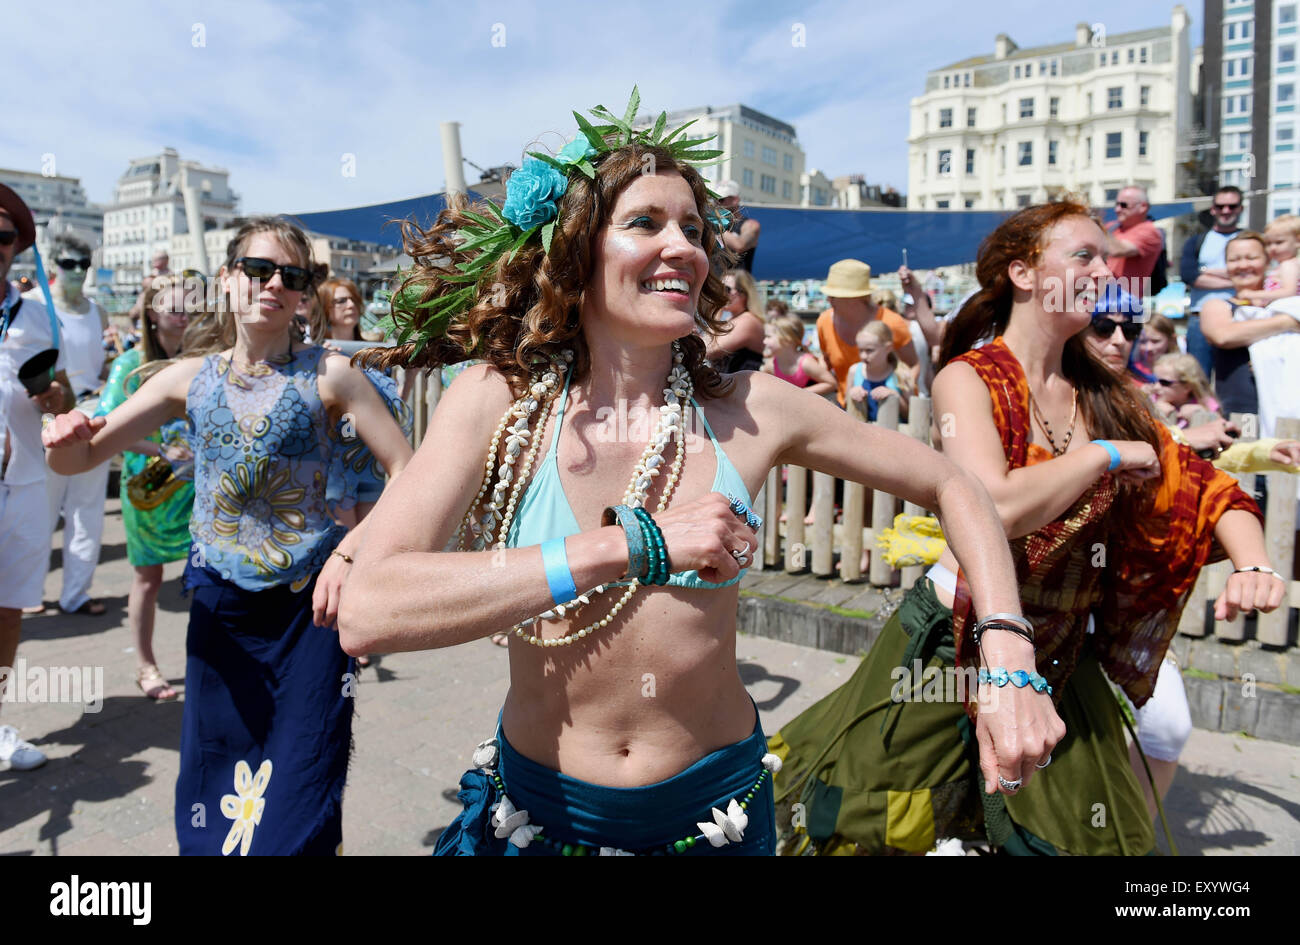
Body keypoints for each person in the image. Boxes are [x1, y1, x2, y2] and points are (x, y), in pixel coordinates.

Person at [336, 94, 1029, 857]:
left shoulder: (751, 408)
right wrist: (631, 546)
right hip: (538, 812)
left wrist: (1007, 653)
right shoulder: (494, 400)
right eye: (645, 223)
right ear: (575, 250)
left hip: (714, 813)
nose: (685, 247)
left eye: (694, 230)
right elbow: (370, 609)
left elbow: (956, 485)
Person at [770, 200, 1285, 856]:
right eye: (1085, 255)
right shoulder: (969, 378)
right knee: (879, 819)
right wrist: (1102, 455)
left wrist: (1254, 566)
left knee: (1088, 837)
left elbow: (1214, 493)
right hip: (954, 635)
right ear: (1024, 272)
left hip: (1061, 655)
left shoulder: (1110, 397)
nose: (1107, 268)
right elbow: (994, 505)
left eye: (1108, 256)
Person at [43, 217, 413, 854]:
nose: (273, 284)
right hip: (221, 612)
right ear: (226, 279)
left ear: (304, 294)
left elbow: (409, 473)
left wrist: (352, 552)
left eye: (291, 277)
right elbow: (79, 461)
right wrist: (64, 435)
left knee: (304, 779)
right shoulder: (186, 380)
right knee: (215, 778)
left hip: (311, 615)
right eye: (258, 270)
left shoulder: (334, 377)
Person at [1081, 293, 1300, 820]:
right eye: (1102, 326)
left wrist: (1254, 564)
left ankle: (1128, 839)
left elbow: (1191, 473)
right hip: (1026, 601)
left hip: (1118, 604)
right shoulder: (1015, 390)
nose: (1119, 339)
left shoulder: (1129, 401)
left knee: (1168, 728)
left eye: (1128, 328)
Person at [94, 272, 200, 700]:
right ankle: (146, 664)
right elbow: (103, 427)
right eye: (173, 305)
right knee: (147, 580)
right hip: (148, 487)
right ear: (152, 312)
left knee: (206, 575)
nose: (182, 313)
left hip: (197, 486)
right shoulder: (130, 364)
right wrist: (159, 450)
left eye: (191, 305)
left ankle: (210, 662)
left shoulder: (201, 361)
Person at [0, 184, 76, 772]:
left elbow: (63, 397)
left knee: (8, 609)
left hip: (22, 482)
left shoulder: (37, 315)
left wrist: (56, 399)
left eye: (4, 237)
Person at [24, 235, 111, 616]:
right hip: (42, 421)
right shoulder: (31, 307)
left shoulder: (98, 311)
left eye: (83, 265)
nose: (76, 272)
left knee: (87, 510)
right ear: (55, 265)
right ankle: (27, 593)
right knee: (38, 510)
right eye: (69, 263)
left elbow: (102, 364)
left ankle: (76, 594)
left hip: (92, 417)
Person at [1198, 232, 1300, 419]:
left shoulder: (1289, 304)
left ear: (1268, 261)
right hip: (1241, 417)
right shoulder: (1218, 306)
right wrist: (1290, 322)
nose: (1243, 265)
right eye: (1234, 260)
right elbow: (1223, 335)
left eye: (1251, 258)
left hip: (1290, 417)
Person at [816, 259, 918, 406]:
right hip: (848, 409)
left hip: (891, 410)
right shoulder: (824, 322)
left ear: (855, 299)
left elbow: (913, 365)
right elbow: (826, 362)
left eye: (833, 296)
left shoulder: (892, 323)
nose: (828, 300)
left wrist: (895, 392)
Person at [1180, 186, 1244, 379]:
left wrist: (1207, 272)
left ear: (1240, 208)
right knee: (1197, 381)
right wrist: (1235, 278)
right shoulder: (1197, 241)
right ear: (1213, 209)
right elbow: (1190, 276)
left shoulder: (1248, 239)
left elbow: (1256, 275)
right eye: (1221, 206)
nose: (1226, 211)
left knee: (1235, 382)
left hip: (1239, 316)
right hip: (1199, 319)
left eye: (1232, 206)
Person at [1100, 186, 1165, 290]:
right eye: (1116, 204)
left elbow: (1117, 250)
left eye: (1123, 205)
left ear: (1143, 207)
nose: (1117, 209)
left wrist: (1096, 224)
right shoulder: (1111, 226)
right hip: (1101, 296)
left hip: (1124, 301)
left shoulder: (1150, 232)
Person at [846, 321, 909, 423]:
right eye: (860, 350)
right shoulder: (854, 371)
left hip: (892, 434)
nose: (863, 356)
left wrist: (895, 396)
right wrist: (851, 394)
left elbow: (910, 415)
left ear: (888, 348)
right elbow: (846, 405)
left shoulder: (900, 374)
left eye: (869, 350)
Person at [705, 269, 765, 373]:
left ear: (744, 293)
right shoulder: (731, 319)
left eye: (726, 289)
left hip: (749, 387)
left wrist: (715, 312)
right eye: (719, 288)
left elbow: (708, 351)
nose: (720, 293)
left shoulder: (748, 321)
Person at [762, 314, 835, 396]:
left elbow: (831, 383)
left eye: (768, 337)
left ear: (786, 339)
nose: (764, 341)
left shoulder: (805, 363)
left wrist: (798, 394)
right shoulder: (771, 366)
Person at [1238, 214, 1300, 306]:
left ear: (1298, 241)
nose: (1272, 248)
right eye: (1268, 243)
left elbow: (1289, 292)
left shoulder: (1288, 265)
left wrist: (1253, 294)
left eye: (1279, 242)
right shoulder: (1284, 265)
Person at [1150, 353, 1220, 427]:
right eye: (1154, 381)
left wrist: (1202, 411)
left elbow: (1221, 425)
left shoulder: (1205, 402)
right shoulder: (1151, 401)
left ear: (1187, 387)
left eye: (1164, 382)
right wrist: (1155, 412)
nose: (1156, 387)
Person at [716, 180, 759, 273]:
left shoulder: (750, 225)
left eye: (721, 199)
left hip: (737, 284)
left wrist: (716, 226)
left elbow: (740, 245)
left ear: (735, 200)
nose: (717, 203)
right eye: (715, 199)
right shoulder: (712, 223)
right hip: (714, 284)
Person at [1133, 311, 1179, 383]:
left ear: (1171, 340)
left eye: (1155, 341)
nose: (1149, 348)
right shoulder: (1130, 371)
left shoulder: (1181, 371)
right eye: (1143, 341)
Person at [316, 277, 365, 342]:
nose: (351, 305)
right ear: (324, 307)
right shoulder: (313, 349)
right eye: (341, 301)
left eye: (354, 300)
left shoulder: (372, 350)